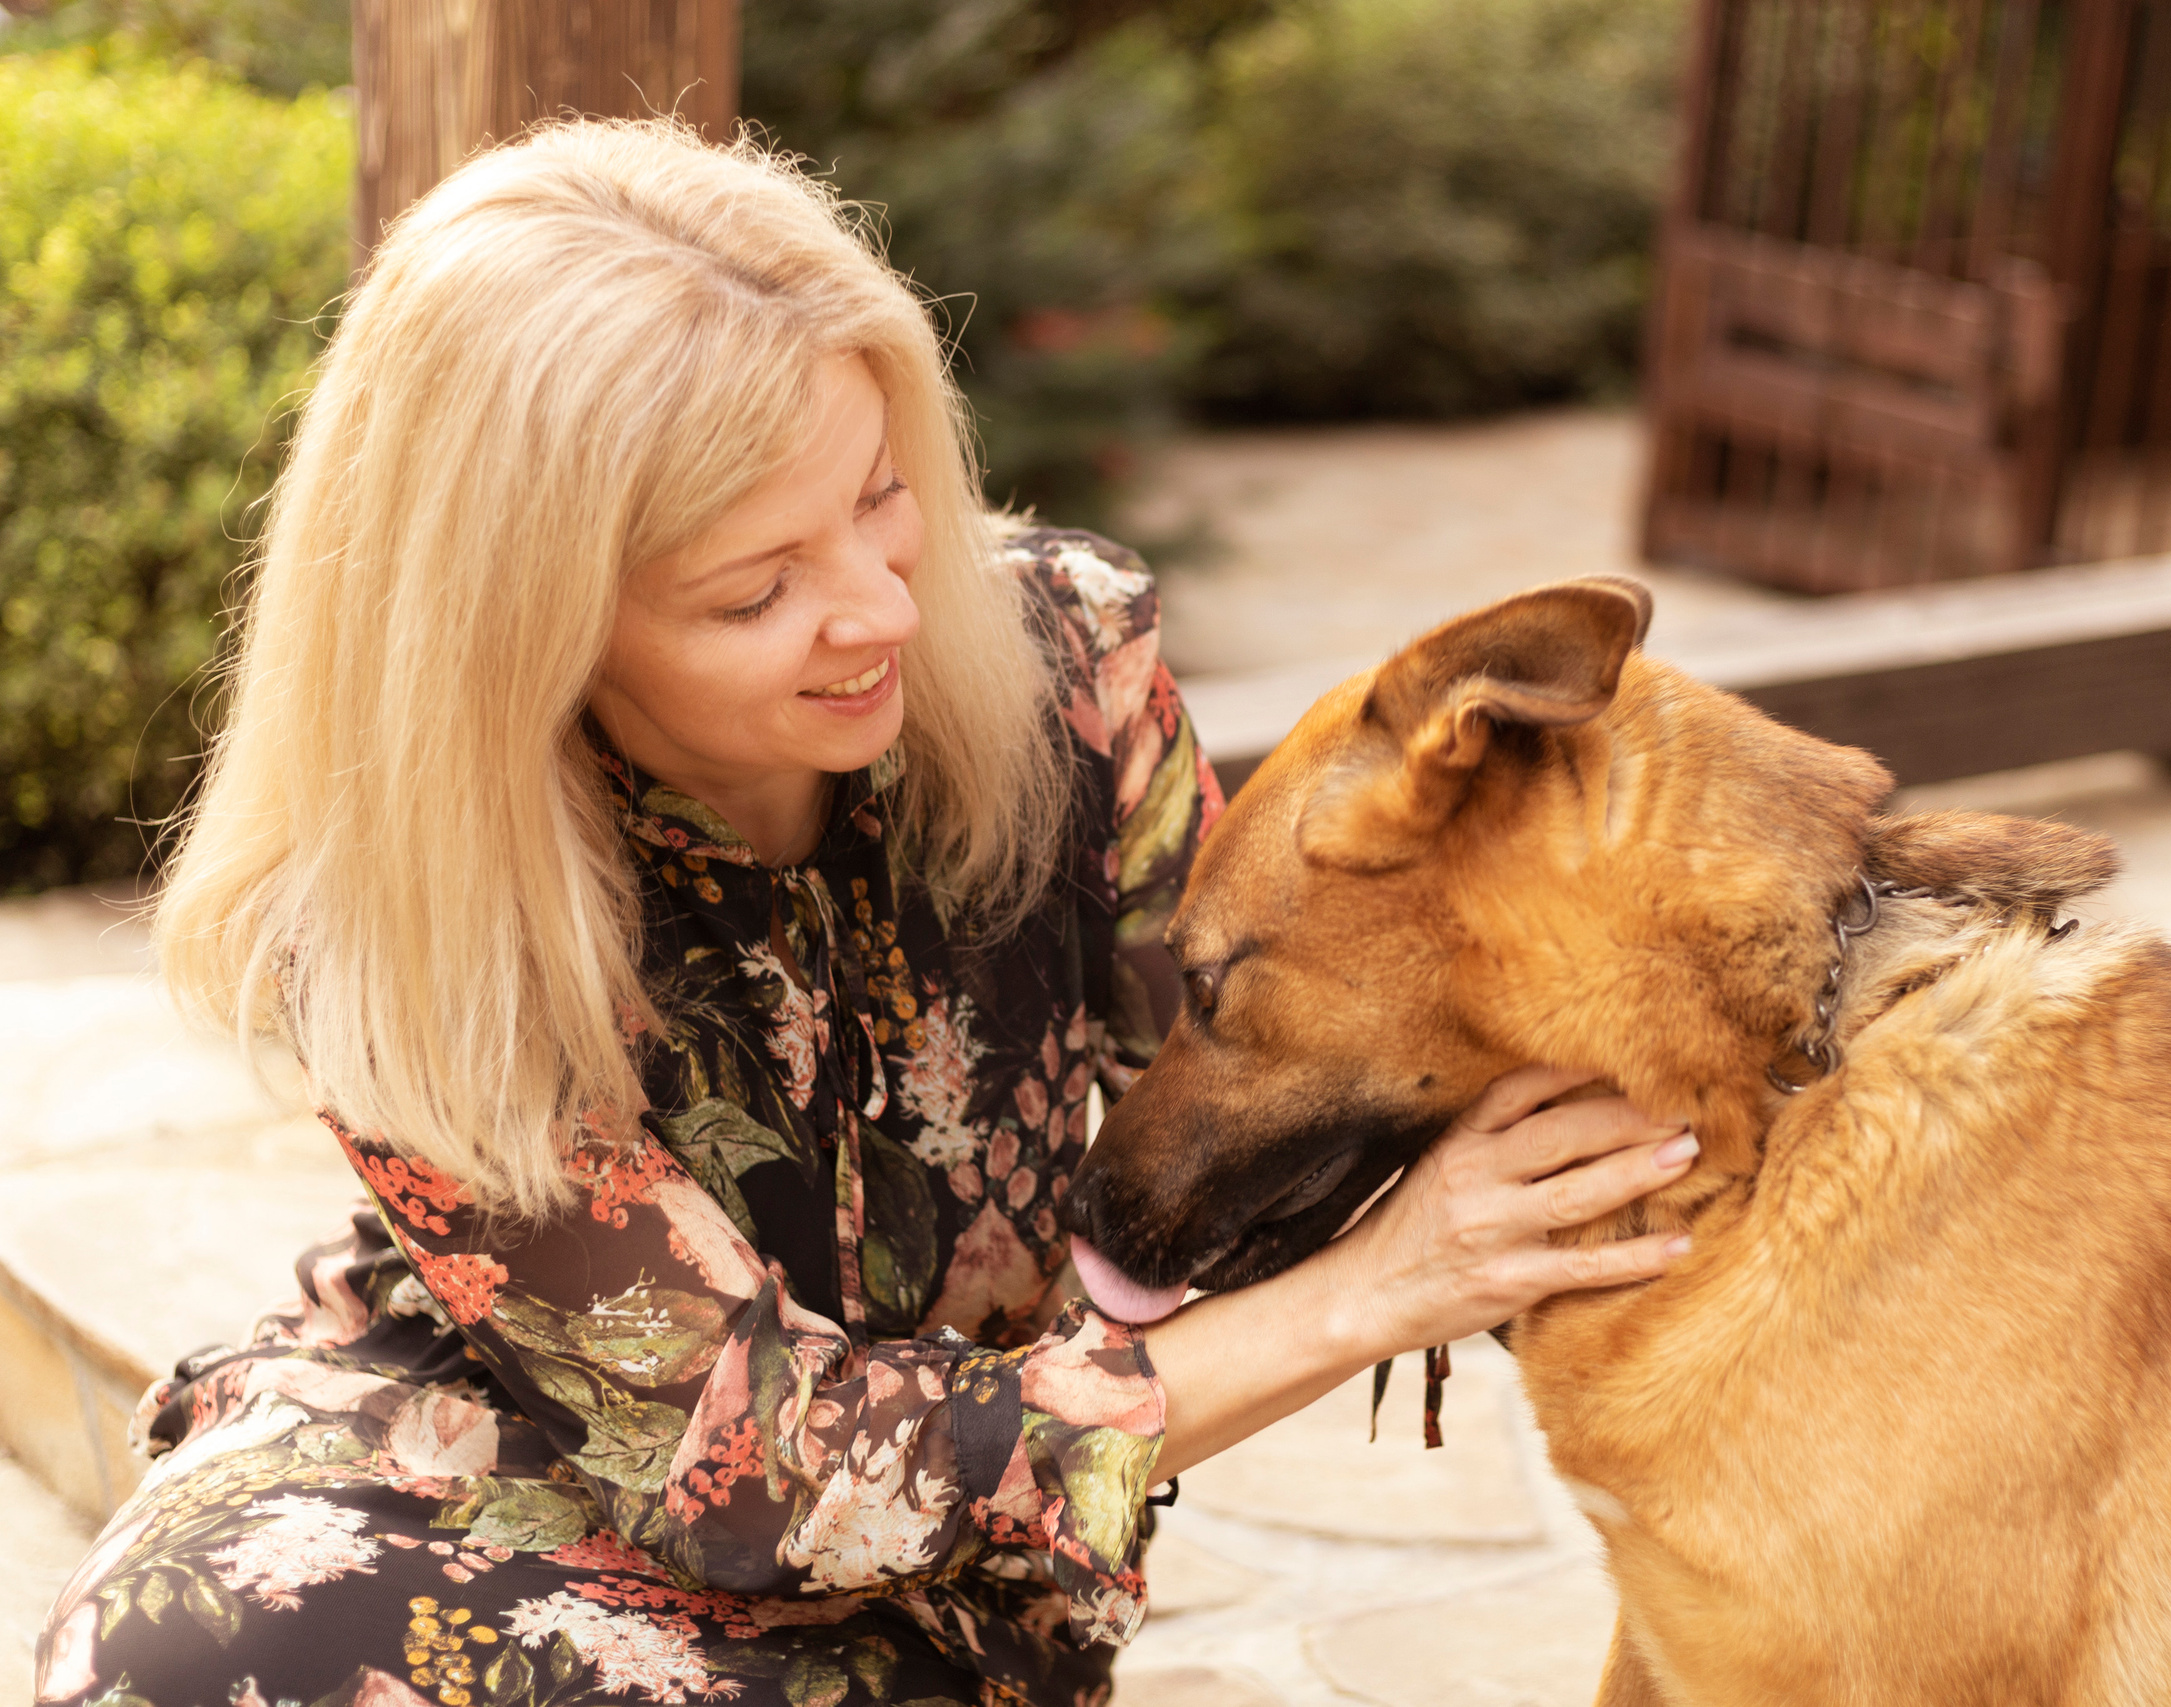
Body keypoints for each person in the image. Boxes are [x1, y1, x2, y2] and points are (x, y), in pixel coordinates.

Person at [34, 119, 1698, 1707]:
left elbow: (1262, 1060)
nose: (885, 609)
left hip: (958, 1505)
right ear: (526, 630)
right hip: (529, 1426)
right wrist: (1384, 1288)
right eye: (758, 587)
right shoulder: (400, 901)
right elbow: (756, 1474)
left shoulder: (1066, 667)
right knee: (164, 1659)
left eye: (884, 492)